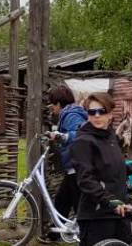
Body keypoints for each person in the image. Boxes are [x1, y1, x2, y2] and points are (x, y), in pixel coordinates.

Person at [70, 92, 132, 246]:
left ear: (110, 114)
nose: (97, 116)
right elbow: (85, 180)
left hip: (120, 213)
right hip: (97, 217)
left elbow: (112, 167)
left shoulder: (111, 137)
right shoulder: (83, 141)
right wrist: (109, 200)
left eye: (102, 111)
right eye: (92, 112)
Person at [41, 86, 87, 243]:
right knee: (62, 199)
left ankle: (87, 238)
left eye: (52, 105)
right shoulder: (68, 114)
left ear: (59, 104)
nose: (52, 108)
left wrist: (62, 136)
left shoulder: (71, 115)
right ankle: (54, 235)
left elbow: (80, 134)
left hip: (78, 166)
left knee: (77, 204)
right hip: (73, 167)